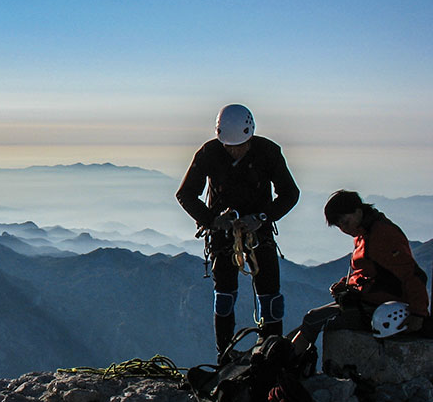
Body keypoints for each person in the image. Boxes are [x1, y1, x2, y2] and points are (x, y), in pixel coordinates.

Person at [176, 104, 300, 361]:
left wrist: (261, 218)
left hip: (258, 230)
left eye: (239, 145)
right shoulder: (210, 152)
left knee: (269, 295)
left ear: (250, 136)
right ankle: (225, 354)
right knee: (225, 294)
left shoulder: (268, 152)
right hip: (226, 234)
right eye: (229, 145)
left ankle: (272, 352)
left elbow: (290, 193)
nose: (234, 149)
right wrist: (214, 221)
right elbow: (185, 194)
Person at [291, 190, 429, 355]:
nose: (344, 229)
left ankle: (286, 364)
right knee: (311, 318)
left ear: (358, 211)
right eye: (340, 226)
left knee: (314, 320)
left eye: (345, 222)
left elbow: (412, 275)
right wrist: (346, 284)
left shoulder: (383, 235)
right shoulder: (364, 233)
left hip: (384, 310)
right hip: (369, 302)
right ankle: (284, 358)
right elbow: (368, 272)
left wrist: (418, 314)